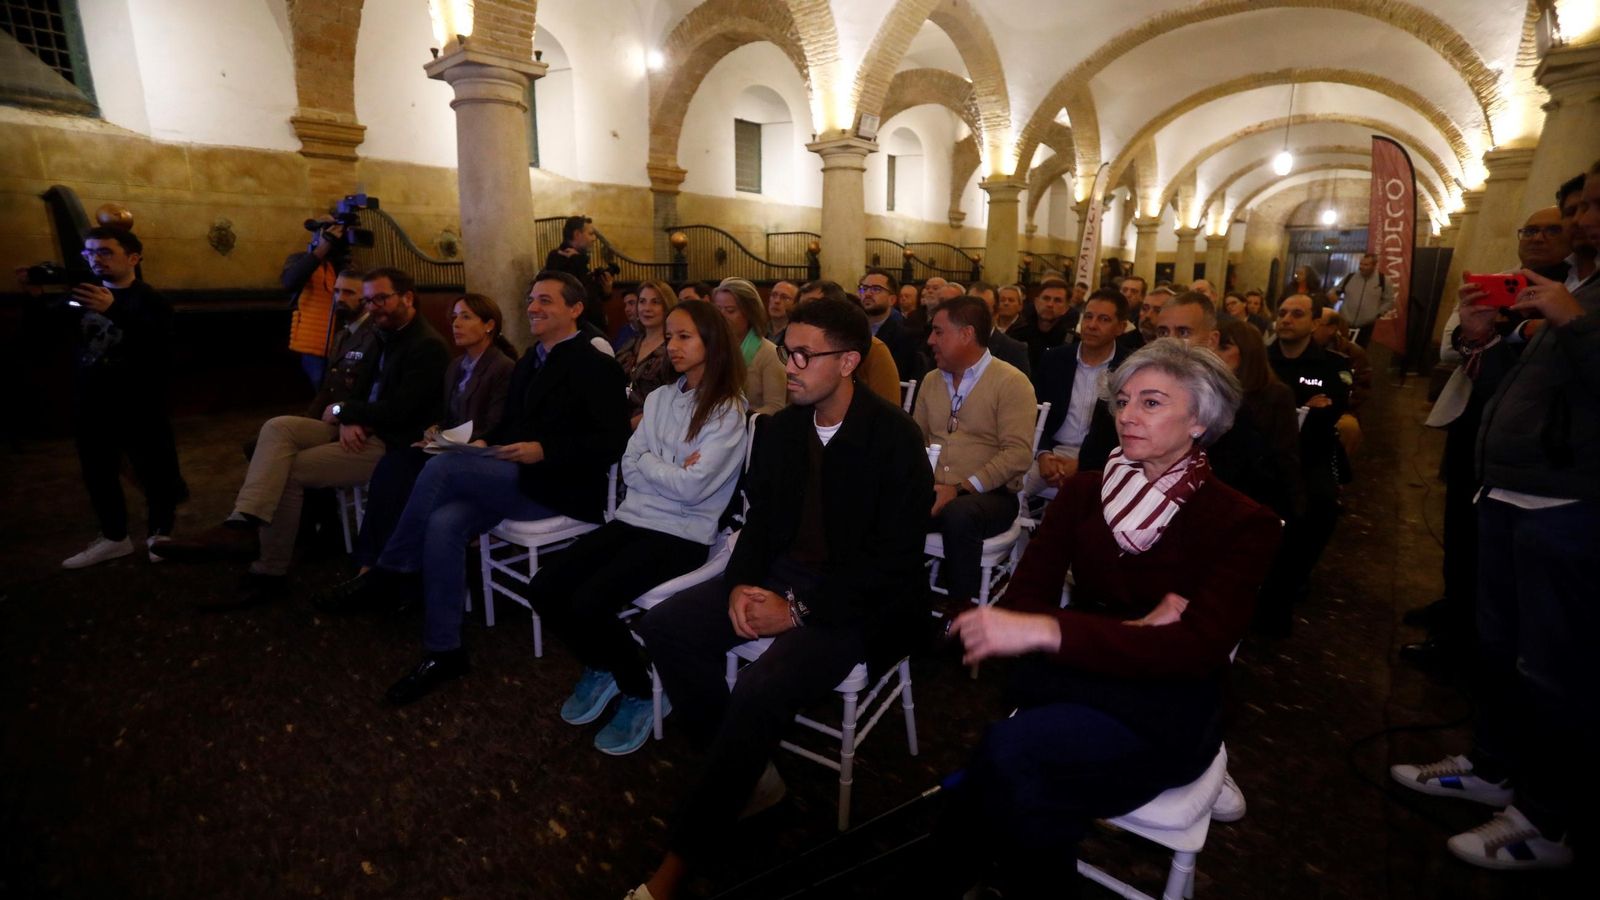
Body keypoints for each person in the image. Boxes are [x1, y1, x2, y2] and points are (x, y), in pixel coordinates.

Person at [919, 339, 1280, 899]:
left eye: (1153, 403)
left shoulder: (1241, 521)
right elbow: (1027, 597)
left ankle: (938, 883)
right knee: (1021, 772)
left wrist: (1055, 631)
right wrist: (1135, 633)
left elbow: (1195, 652)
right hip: (1079, 682)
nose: (1128, 416)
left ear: (1200, 422)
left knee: (1009, 758)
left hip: (1162, 709)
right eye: (1124, 400)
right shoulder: (1086, 491)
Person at [626, 297, 932, 900]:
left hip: (856, 601)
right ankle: (747, 774)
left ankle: (678, 863)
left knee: (761, 685)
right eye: (786, 349)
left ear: (847, 362)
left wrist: (798, 612)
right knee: (665, 627)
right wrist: (740, 583)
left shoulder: (894, 437)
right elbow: (761, 524)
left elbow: (891, 563)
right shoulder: (784, 429)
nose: (788, 366)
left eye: (802, 355)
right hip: (783, 573)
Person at [1391, 160, 1600, 873]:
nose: (1580, 220)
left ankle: (1545, 819)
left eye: (1593, 207)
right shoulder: (1573, 289)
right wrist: (1489, 338)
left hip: (1570, 508)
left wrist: (1571, 325)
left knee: (1554, 670)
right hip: (1510, 494)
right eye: (1579, 207)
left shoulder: (1580, 305)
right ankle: (1496, 767)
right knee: (1501, 649)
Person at [376, 270, 632, 705]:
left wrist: (545, 450)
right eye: (532, 299)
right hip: (517, 475)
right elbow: (511, 425)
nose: (533, 307)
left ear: (575, 309)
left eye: (545, 300)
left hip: (560, 486)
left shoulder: (594, 363)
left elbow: (613, 441)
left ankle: (392, 567)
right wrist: (482, 443)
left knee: (443, 470)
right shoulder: (533, 358)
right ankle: (445, 650)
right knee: (442, 521)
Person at [152, 268, 451, 609]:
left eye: (380, 298)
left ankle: (269, 572)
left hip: (389, 442)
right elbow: (358, 390)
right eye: (368, 300)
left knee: (292, 471)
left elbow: (400, 411)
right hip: (359, 425)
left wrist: (347, 413)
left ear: (407, 298)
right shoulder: (384, 334)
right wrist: (347, 415)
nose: (373, 307)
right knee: (278, 427)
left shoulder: (426, 346)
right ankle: (243, 520)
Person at [528, 299, 748, 756]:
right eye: (669, 336)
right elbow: (630, 462)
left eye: (684, 336)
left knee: (590, 601)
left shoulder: (728, 411)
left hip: (683, 535)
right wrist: (665, 465)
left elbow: (693, 491)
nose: (672, 345)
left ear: (712, 342)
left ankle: (642, 687)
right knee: (546, 586)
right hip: (635, 519)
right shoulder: (662, 398)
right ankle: (604, 664)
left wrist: (654, 464)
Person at [314, 294, 517, 589]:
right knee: (391, 466)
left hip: (476, 452)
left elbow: (497, 424)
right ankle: (370, 562)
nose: (456, 324)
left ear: (489, 325)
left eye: (466, 317)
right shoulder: (456, 366)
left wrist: (452, 440)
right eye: (454, 318)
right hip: (449, 446)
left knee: (405, 477)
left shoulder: (502, 367)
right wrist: (434, 432)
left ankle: (392, 570)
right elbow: (448, 416)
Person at [58, 227, 186, 569]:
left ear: (133, 258)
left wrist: (115, 309)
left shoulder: (151, 300)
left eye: (105, 252)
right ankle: (114, 537)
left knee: (155, 470)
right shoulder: (83, 296)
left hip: (139, 401)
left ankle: (160, 533)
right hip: (92, 402)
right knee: (98, 472)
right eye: (90, 253)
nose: (95, 259)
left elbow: (159, 347)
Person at [914, 296, 1036, 605]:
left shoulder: (1011, 382)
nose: (930, 340)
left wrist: (959, 489)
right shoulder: (931, 380)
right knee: (880, 503)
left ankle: (959, 615)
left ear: (966, 334)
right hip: (935, 487)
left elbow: (1018, 455)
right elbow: (916, 439)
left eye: (939, 332)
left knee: (959, 514)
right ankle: (904, 602)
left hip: (991, 496)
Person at [1262, 292, 1349, 634]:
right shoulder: (1263, 360)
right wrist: (1302, 408)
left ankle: (1292, 580)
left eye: (1296, 314)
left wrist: (1291, 412)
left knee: (1321, 506)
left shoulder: (1334, 365)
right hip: (1264, 453)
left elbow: (1328, 415)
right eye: (1282, 313)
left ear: (1314, 323)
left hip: (1309, 455)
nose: (1285, 319)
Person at [1027, 289, 1131, 498]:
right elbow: (1034, 411)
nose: (1092, 325)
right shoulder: (1055, 359)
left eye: (1103, 319)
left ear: (1120, 327)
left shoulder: (1129, 367)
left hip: (1104, 458)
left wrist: (1084, 462)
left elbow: (1123, 431)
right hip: (1052, 451)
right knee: (1014, 489)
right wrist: (1043, 453)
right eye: (1089, 316)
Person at [1216, 319, 1302, 522]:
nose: (1214, 353)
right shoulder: (1210, 393)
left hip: (1253, 494)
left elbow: (1285, 455)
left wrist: (1294, 508)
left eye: (1224, 347)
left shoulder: (1275, 395)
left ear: (1247, 353)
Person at [787, 280, 904, 404]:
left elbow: (887, 407)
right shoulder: (792, 346)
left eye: (815, 308)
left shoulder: (875, 350)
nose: (789, 368)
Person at [282, 214, 353, 390]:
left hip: (340, 344)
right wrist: (323, 247)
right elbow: (290, 281)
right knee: (320, 390)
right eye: (328, 230)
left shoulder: (340, 264)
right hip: (313, 344)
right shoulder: (301, 259)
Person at [712, 277, 786, 416]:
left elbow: (775, 407)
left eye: (730, 310)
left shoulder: (769, 354)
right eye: (718, 309)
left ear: (749, 313)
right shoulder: (710, 349)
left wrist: (734, 420)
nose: (721, 316)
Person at [616, 280, 678, 428]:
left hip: (653, 429)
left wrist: (628, 427)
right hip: (617, 423)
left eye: (655, 302)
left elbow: (672, 401)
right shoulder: (629, 345)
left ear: (667, 307)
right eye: (642, 302)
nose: (646, 308)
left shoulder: (673, 348)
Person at [1313, 309, 1370, 455]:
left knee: (1348, 428)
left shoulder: (1352, 354)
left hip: (1338, 409)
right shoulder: (1301, 347)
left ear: (1331, 329)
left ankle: (1335, 469)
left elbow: (1360, 389)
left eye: (1317, 323)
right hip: (1302, 405)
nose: (1311, 327)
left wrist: (1333, 405)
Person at [858, 268, 923, 384]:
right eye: (864, 288)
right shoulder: (850, 330)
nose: (867, 294)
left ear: (892, 300)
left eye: (876, 289)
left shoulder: (905, 338)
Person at [965, 280, 1032, 376]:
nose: (975, 313)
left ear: (996, 313)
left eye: (983, 308)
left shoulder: (1014, 350)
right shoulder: (951, 344)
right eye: (970, 307)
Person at [1009, 277, 1070, 374]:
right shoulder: (1018, 334)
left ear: (1066, 308)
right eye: (1046, 298)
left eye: (1057, 300)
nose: (1050, 304)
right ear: (1036, 302)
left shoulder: (1069, 341)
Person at [1333, 253, 1394, 346]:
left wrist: (1378, 313)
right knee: (1339, 348)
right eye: (1361, 264)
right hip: (1344, 322)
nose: (1362, 267)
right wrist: (1333, 295)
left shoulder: (1384, 281)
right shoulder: (1350, 277)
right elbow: (1336, 290)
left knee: (1358, 352)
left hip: (1365, 326)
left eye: (1366, 265)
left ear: (1374, 265)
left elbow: (1389, 300)